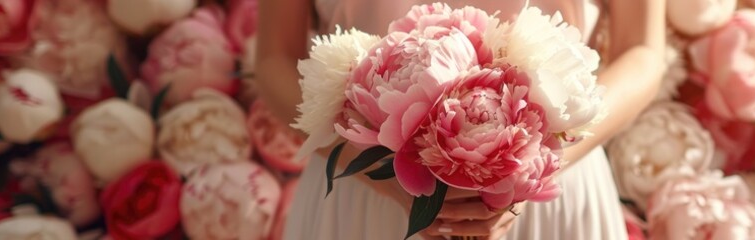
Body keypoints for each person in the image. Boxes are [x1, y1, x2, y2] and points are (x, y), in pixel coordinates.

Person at [256, 0, 668, 239]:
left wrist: (531, 166)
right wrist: (381, 171)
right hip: (363, 191)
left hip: (553, 188)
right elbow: (274, 58)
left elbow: (644, 51)